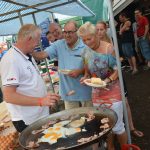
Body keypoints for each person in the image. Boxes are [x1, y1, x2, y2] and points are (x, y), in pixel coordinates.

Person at [0, 24, 60, 132]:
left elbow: (29, 84)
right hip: (27, 120)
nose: (38, 44)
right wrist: (41, 100)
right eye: (37, 40)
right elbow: (9, 96)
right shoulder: (11, 59)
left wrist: (45, 98)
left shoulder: (27, 55)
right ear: (29, 39)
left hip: (38, 115)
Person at [78, 22, 127, 150]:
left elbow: (117, 69)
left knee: (118, 127)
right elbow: (87, 72)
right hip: (97, 94)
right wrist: (85, 78)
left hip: (112, 92)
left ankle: (126, 148)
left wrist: (108, 80)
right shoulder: (84, 52)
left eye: (89, 38)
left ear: (96, 35)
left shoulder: (108, 48)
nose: (87, 42)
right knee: (106, 125)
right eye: (84, 40)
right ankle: (110, 147)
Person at [96, 21, 144, 138]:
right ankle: (111, 132)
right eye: (97, 30)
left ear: (106, 29)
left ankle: (131, 128)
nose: (99, 32)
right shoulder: (94, 44)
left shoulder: (111, 42)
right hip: (102, 80)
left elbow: (120, 58)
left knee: (125, 102)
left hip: (116, 77)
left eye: (101, 29)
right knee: (107, 105)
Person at [32, 21, 92, 110]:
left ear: (77, 31)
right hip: (68, 93)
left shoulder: (85, 45)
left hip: (85, 92)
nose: (67, 35)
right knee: (73, 121)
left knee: (90, 120)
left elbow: (93, 66)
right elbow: (43, 54)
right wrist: (29, 52)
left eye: (70, 32)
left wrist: (80, 71)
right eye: (65, 32)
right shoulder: (59, 44)